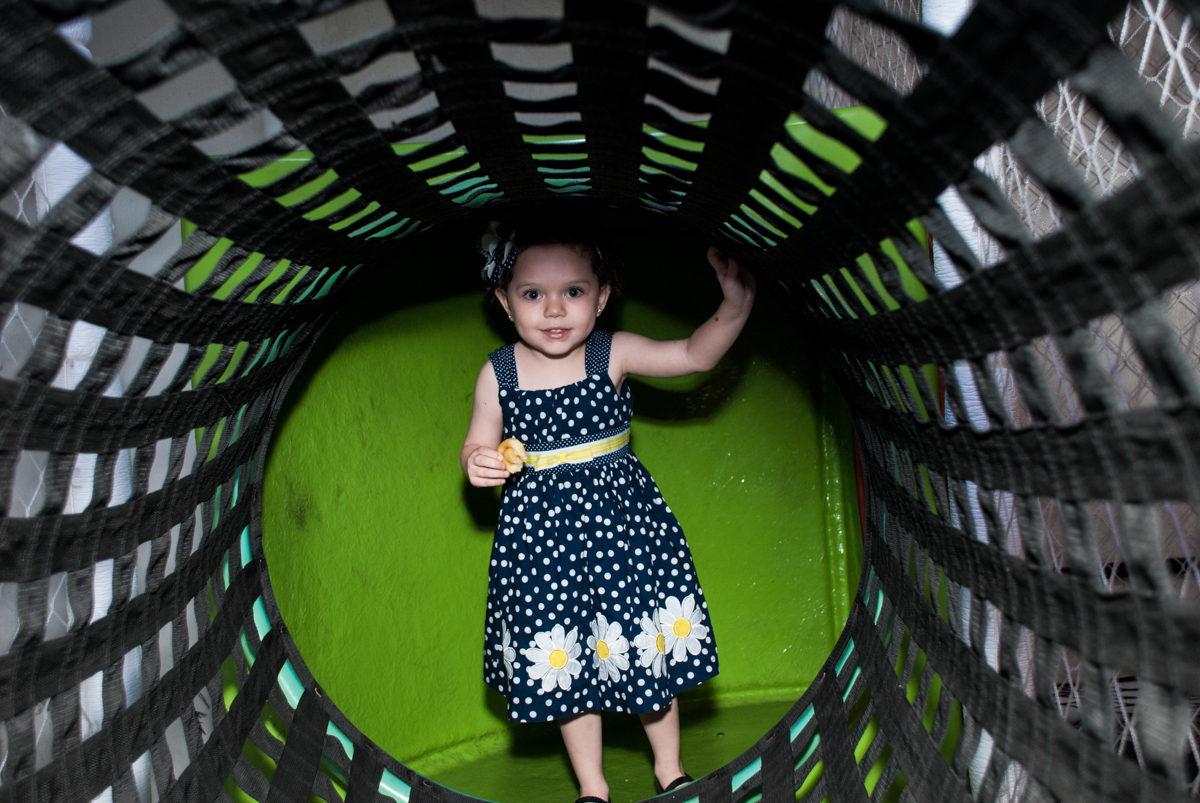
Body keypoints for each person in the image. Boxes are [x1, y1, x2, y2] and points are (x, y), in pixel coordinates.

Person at [460, 210, 756, 803]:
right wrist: (479, 463)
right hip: (541, 543)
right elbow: (477, 441)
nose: (553, 309)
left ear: (601, 299)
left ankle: (669, 767)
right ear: (503, 300)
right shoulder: (500, 373)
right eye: (533, 294)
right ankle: (592, 787)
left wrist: (737, 304)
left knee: (644, 646)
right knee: (564, 656)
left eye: (572, 291)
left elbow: (694, 355)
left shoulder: (611, 354)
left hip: (621, 533)